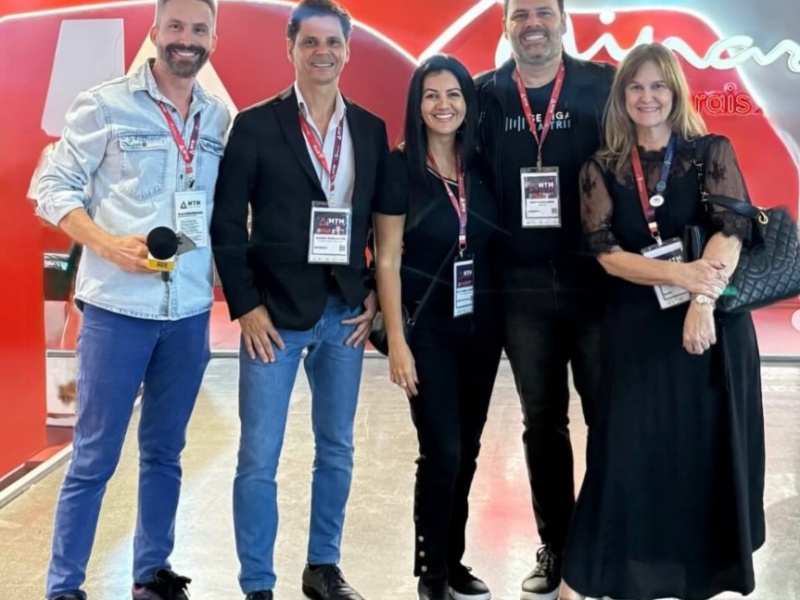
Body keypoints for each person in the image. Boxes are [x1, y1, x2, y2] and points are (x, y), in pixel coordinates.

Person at [35, 0, 230, 597]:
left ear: (213, 39)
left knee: (166, 452)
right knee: (94, 456)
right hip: (117, 311)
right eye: (176, 27)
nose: (186, 39)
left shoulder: (218, 118)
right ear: (155, 32)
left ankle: (152, 572)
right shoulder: (104, 105)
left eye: (199, 29)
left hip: (188, 312)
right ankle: (64, 585)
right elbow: (51, 186)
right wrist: (106, 243)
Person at [559, 42, 765, 600]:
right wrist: (682, 276)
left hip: (712, 331)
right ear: (621, 96)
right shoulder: (601, 167)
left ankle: (695, 576)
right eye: (635, 86)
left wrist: (701, 301)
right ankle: (591, 576)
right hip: (636, 331)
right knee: (625, 452)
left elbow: (731, 233)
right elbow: (606, 253)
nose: (646, 97)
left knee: (701, 455)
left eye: (657, 86)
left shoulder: (710, 151)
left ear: (675, 92)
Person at [209, 1, 388, 598]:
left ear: (347, 50)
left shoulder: (369, 130)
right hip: (273, 318)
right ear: (290, 48)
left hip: (345, 314)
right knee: (259, 456)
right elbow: (227, 224)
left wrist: (373, 294)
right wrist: (245, 306)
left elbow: (381, 224)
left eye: (332, 42)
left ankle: (322, 568)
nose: (322, 52)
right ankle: (258, 584)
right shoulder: (256, 125)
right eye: (309, 41)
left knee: (336, 448)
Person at [474, 0, 615, 596]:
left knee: (608, 415)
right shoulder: (483, 95)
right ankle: (556, 543)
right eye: (520, 14)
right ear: (505, 25)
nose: (533, 24)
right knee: (543, 420)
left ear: (562, 20)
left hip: (596, 281)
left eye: (543, 12)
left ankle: (607, 541)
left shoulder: (604, 85)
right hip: (521, 286)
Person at [373, 55, 503, 600]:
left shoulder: (481, 163)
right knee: (442, 451)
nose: (443, 105)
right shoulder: (401, 167)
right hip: (426, 331)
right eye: (431, 95)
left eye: (453, 94)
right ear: (417, 104)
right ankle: (431, 574)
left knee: (467, 449)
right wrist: (397, 343)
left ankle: (453, 559)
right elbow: (386, 258)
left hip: (481, 329)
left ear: (468, 102)